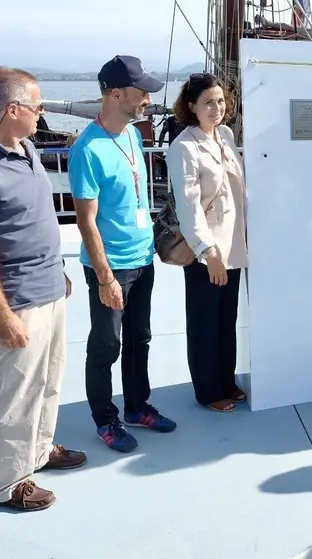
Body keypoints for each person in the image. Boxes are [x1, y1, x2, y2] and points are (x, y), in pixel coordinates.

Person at [0, 67, 87, 513]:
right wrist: (3, 313)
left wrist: (57, 272)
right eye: (36, 106)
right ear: (12, 110)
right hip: (18, 300)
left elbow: (33, 223)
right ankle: (9, 482)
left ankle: (40, 451)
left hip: (49, 286)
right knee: (16, 392)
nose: (41, 113)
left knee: (49, 380)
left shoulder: (26, 147)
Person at [69, 55, 176, 452]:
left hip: (142, 257)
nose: (148, 98)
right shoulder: (88, 149)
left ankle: (136, 406)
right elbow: (86, 221)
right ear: (116, 94)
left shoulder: (131, 134)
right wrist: (105, 277)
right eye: (141, 91)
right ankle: (106, 420)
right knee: (105, 346)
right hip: (111, 266)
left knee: (140, 338)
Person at [166, 73, 250, 412]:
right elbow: (188, 207)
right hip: (206, 251)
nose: (216, 108)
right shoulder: (184, 147)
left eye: (220, 101)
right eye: (208, 103)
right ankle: (208, 390)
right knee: (204, 321)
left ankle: (226, 380)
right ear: (192, 107)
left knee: (226, 318)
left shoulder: (226, 135)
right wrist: (208, 251)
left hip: (234, 245)